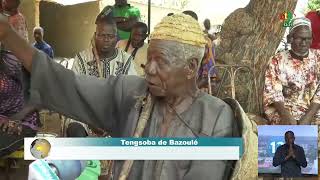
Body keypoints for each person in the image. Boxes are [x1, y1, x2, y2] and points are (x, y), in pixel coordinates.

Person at [0, 13, 237, 179]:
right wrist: (9, 35)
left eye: (160, 61)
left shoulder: (216, 119)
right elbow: (68, 83)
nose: (149, 68)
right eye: (149, 58)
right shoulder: (132, 94)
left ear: (191, 67)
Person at [66, 16, 136, 137]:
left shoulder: (126, 60)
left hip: (117, 115)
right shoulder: (82, 58)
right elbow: (74, 93)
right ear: (95, 35)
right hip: (85, 113)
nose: (106, 40)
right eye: (102, 35)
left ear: (116, 37)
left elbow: (132, 94)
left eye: (111, 36)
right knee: (75, 129)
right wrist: (91, 120)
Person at [263, 17, 320, 125]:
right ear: (290, 38)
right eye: (300, 38)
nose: (304, 43)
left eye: (308, 38)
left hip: (313, 109)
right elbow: (273, 92)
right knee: (286, 129)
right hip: (283, 109)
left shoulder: (318, 58)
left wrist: (308, 116)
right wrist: (285, 115)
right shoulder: (277, 60)